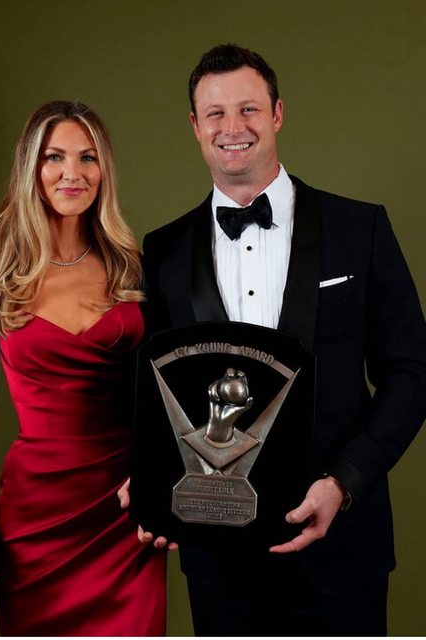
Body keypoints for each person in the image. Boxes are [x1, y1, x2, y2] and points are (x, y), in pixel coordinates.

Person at [133, 44, 426, 636]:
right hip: (216, 563)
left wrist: (344, 482)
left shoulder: (360, 228)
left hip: (342, 554)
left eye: (248, 109)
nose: (233, 127)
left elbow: (413, 371)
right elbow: (155, 390)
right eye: (215, 113)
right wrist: (153, 487)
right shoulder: (162, 251)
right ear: (194, 125)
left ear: (277, 113)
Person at [0, 101, 166, 636]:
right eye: (54, 157)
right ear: (31, 169)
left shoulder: (136, 271)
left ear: (103, 171)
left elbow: (172, 395)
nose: (72, 173)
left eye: (88, 157)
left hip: (124, 512)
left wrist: (163, 477)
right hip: (35, 519)